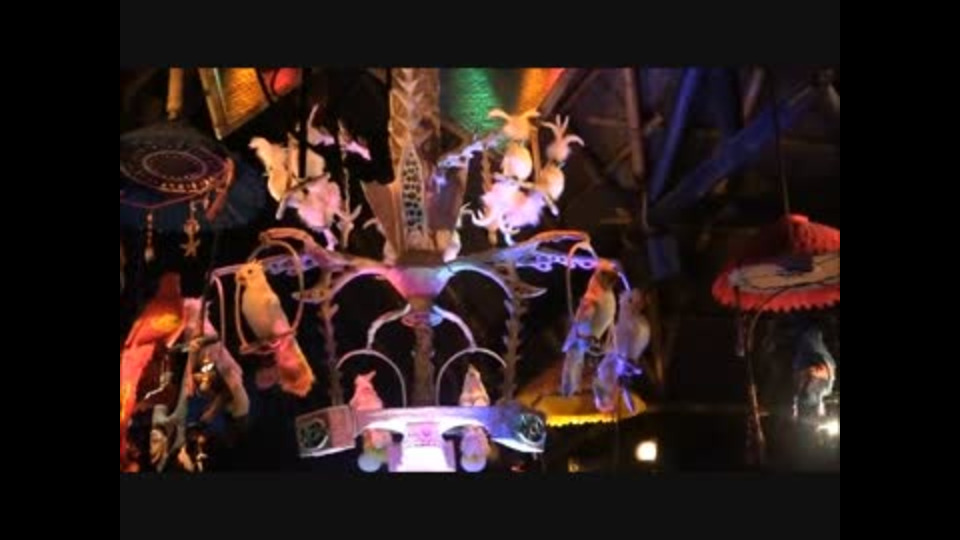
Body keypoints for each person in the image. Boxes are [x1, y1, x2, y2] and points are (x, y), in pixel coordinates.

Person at [792, 326, 836, 419]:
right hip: (820, 362)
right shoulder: (823, 389)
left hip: (810, 364)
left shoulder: (806, 392)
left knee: (804, 336)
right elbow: (816, 372)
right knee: (808, 335)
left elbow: (806, 374)